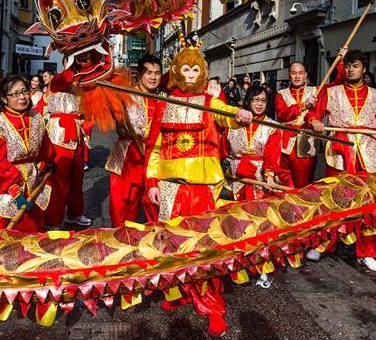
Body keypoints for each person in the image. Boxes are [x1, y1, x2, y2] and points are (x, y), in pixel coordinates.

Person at [305, 50, 376, 271]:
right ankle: (322, 245)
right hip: (339, 154)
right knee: (333, 201)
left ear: (363, 69)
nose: (350, 69)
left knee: (368, 206)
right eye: (348, 66)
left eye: (355, 66)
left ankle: (366, 252)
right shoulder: (331, 92)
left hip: (368, 157)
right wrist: (315, 121)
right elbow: (314, 114)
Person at [145, 42, 253, 221]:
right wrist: (151, 183)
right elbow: (153, 148)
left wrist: (238, 114)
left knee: (202, 235)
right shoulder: (164, 105)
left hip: (204, 183)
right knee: (172, 238)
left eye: (195, 70)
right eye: (186, 69)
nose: (190, 76)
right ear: (176, 71)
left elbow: (224, 113)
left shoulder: (210, 101)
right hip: (169, 184)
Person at [0, 76, 52, 232]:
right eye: (15, 93)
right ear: (4, 99)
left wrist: (49, 163)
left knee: (30, 231)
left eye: (25, 91)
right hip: (3, 185)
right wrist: (14, 191)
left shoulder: (36, 118)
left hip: (32, 181)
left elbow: (46, 148)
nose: (22, 97)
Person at [106, 54, 162, 226]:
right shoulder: (126, 95)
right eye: (149, 72)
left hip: (155, 159)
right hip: (127, 157)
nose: (153, 77)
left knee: (156, 207)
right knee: (122, 208)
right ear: (140, 74)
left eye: (157, 73)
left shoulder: (164, 98)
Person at [275, 59, 343, 188]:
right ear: (288, 75)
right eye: (293, 73)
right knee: (284, 183)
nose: (297, 76)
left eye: (300, 73)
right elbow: (282, 114)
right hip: (284, 144)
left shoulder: (315, 91)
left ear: (305, 75)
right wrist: (303, 104)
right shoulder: (280, 94)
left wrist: (340, 61)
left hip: (306, 142)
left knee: (303, 184)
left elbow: (336, 85)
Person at [40, 67, 91, 228]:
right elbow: (63, 79)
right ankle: (53, 219)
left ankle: (75, 213)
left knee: (77, 178)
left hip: (77, 133)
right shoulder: (57, 81)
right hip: (60, 135)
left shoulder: (81, 84)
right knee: (59, 179)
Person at [223, 83, 289, 202]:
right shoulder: (233, 123)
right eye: (256, 100)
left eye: (263, 101)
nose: (260, 104)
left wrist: (269, 176)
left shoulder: (272, 127)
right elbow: (221, 149)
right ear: (248, 101)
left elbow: (272, 154)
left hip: (260, 175)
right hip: (235, 174)